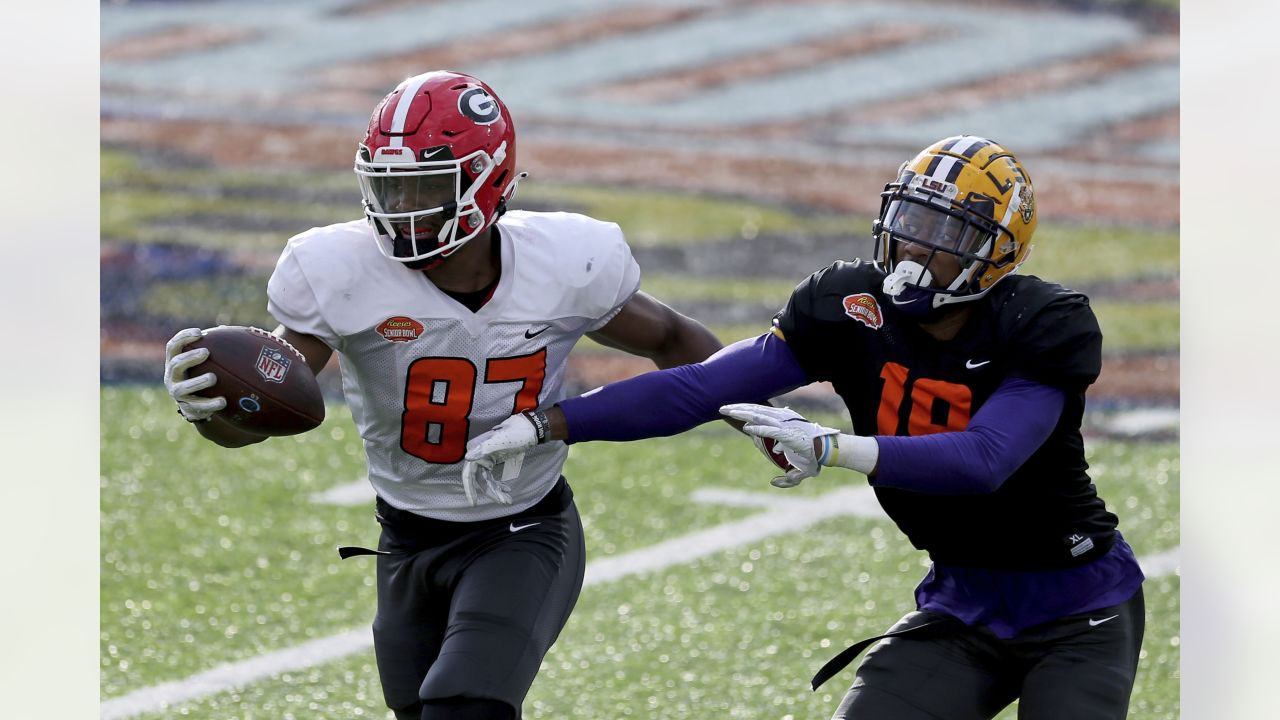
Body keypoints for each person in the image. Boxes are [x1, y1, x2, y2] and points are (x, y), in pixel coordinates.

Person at [464, 135, 1146, 720]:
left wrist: (831, 447)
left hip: (1078, 611)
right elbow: (701, 385)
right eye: (912, 221)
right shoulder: (848, 305)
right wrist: (549, 423)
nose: (918, 245)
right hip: (961, 603)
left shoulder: (1041, 322)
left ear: (997, 253)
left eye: (948, 235)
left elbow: (984, 460)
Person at [161, 70, 732, 720]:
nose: (400, 207)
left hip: (521, 527)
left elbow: (673, 336)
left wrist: (759, 412)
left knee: (464, 707)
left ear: (488, 181)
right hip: (404, 540)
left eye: (423, 187)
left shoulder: (563, 263)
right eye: (387, 186)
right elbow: (264, 411)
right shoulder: (342, 272)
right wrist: (208, 408)